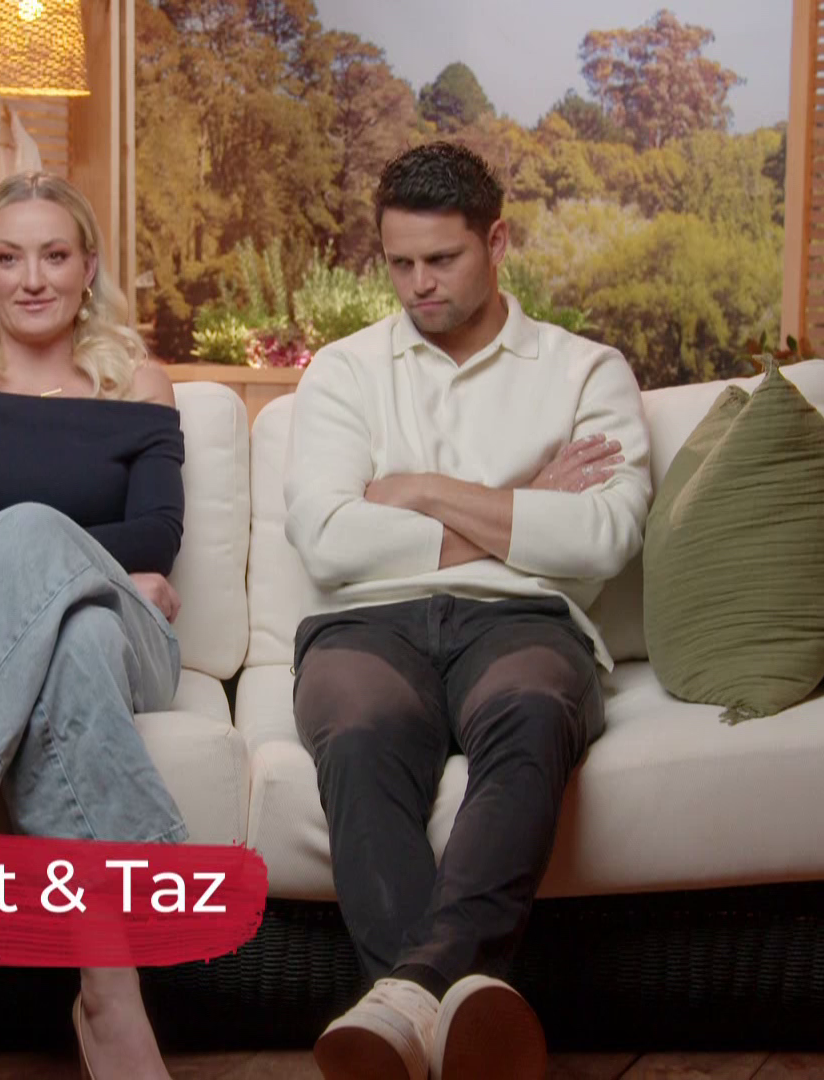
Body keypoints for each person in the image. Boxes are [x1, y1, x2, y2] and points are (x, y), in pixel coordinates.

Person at [284, 142, 653, 1080]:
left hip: (522, 623)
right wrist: (523, 506)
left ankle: (406, 1000)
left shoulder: (586, 371)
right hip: (367, 624)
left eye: (441, 259)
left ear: (497, 241)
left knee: (532, 711)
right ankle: (451, 1007)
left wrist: (417, 489)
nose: (418, 284)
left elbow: (603, 537)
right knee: (358, 733)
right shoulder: (343, 372)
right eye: (399, 262)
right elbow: (327, 540)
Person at [0, 171, 186, 1080]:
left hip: (131, 634)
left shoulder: (137, 381)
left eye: (55, 255)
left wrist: (28, 543)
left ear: (89, 265)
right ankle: (110, 995)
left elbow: (158, 535)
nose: (33, 278)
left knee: (44, 553)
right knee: (70, 639)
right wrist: (79, 560)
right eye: (9, 258)